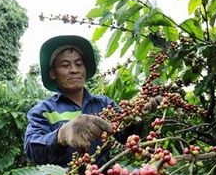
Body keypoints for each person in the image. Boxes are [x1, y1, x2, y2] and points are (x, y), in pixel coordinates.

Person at [24, 35, 159, 168]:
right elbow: (32, 149)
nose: (74, 70)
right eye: (65, 65)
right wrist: (61, 135)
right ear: (53, 73)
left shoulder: (104, 104)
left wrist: (135, 117)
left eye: (79, 64)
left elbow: (125, 136)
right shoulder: (43, 111)